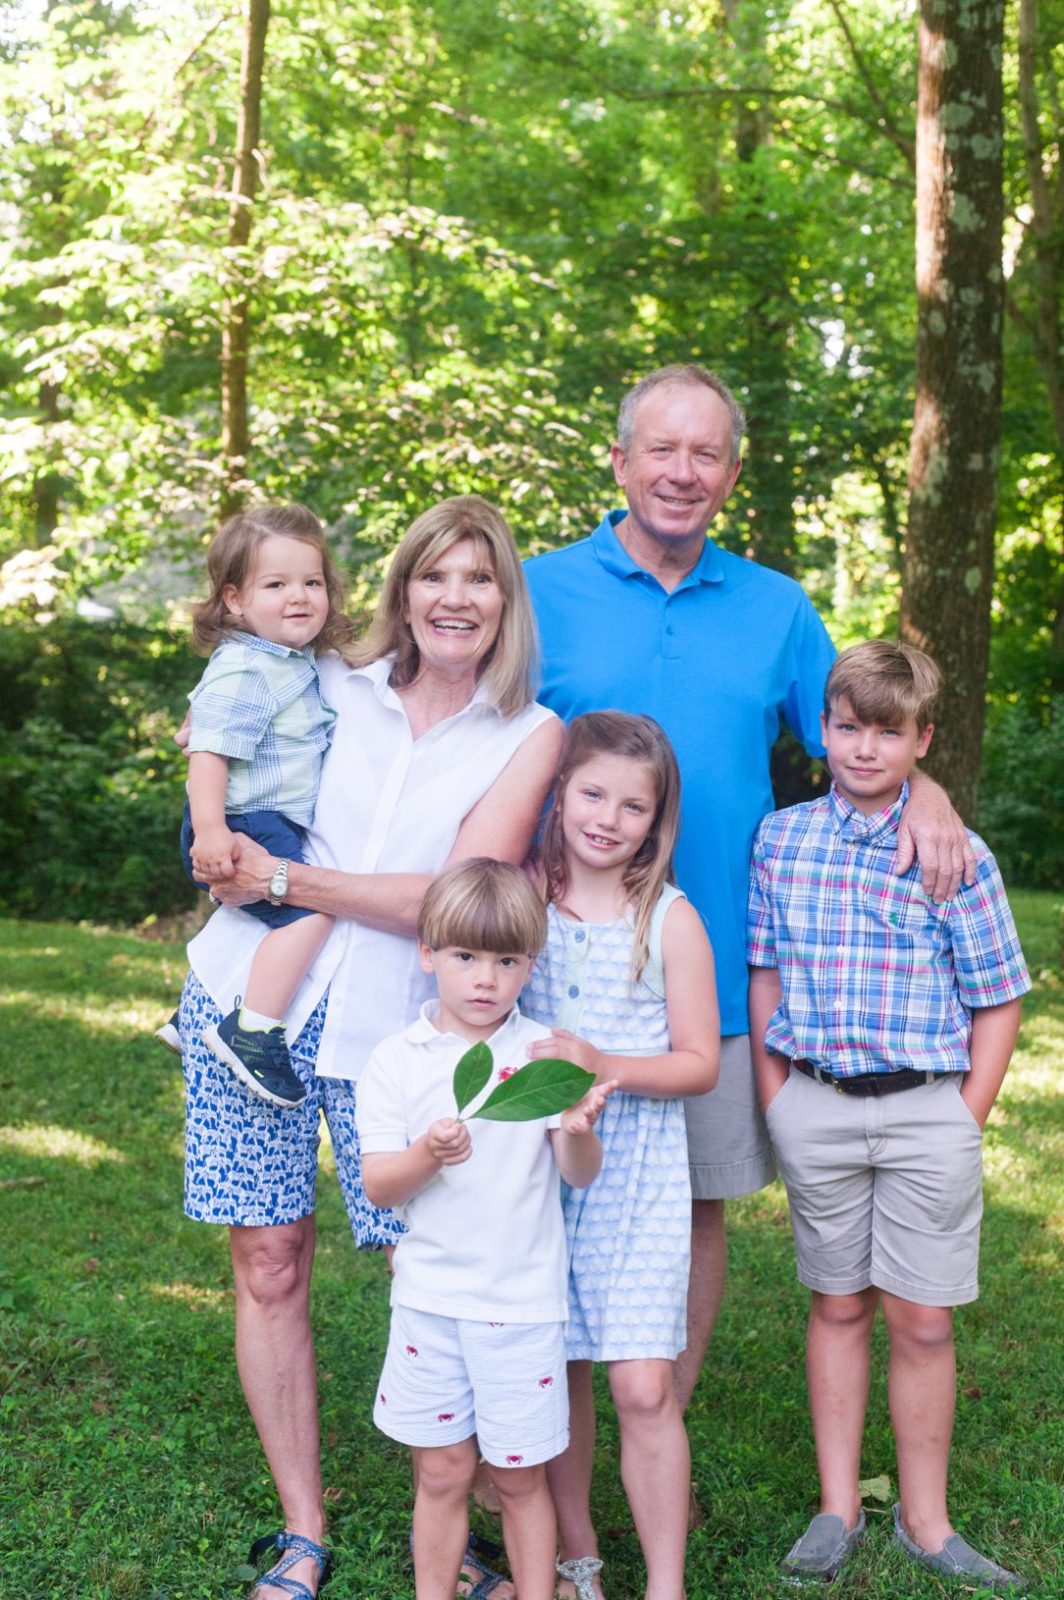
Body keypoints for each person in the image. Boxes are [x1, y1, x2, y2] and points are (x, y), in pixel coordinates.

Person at [523, 363, 974, 1423]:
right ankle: (532, 1449)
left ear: (731, 471)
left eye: (705, 453)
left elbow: (859, 726)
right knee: (537, 1200)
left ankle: (654, 1429)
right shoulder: (537, 589)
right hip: (551, 966)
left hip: (714, 972)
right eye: (662, 449)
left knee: (692, 1208)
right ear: (620, 459)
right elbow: (442, 699)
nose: (682, 472)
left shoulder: (774, 607)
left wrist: (933, 794)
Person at [180, 496, 564, 1600]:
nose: (454, 598)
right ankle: (304, 1528)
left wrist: (287, 878)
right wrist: (219, 834)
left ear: (505, 605)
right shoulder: (328, 682)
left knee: (429, 1260)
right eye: (433, 576)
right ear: (400, 590)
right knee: (267, 1259)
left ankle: (465, 1513)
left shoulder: (526, 733)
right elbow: (222, 731)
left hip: (407, 1032)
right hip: (250, 998)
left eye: (479, 580)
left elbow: (453, 898)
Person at [747, 641, 1031, 1589]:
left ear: (922, 740)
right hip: (817, 1107)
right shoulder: (781, 841)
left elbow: (997, 996)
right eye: (846, 727)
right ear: (822, 730)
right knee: (836, 1306)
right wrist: (777, 1095)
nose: (863, 749)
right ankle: (837, 1509)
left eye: (887, 731)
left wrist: (967, 1116)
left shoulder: (957, 850)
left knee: (920, 1321)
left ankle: (926, 1519)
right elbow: (767, 972)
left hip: (924, 1114)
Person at [358, 858, 614, 1600]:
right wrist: (426, 1156)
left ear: (530, 965)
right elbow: (379, 1184)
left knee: (517, 1474)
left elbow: (577, 1172)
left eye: (507, 961)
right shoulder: (398, 1061)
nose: (486, 979)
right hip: (431, 1301)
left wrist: (576, 1127)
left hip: (521, 1305)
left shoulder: (542, 1055)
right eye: (467, 957)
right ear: (429, 954)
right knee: (440, 1471)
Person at [522, 712, 719, 1600]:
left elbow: (700, 1062)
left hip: (635, 1172)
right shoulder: (522, 898)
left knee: (641, 1386)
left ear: (656, 819)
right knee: (556, 1368)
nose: (607, 817)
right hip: (530, 1174)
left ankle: (666, 1586)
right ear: (560, 791)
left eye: (632, 806)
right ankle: (578, 1560)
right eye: (592, 793)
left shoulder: (669, 918)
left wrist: (606, 1066)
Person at [167, 504, 354, 1108]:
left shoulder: (289, 661)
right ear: (234, 600)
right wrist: (213, 831)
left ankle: (196, 1009)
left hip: (256, 817)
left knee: (262, 912)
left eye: (312, 582)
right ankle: (252, 1030)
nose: (298, 596)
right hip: (243, 819)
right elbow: (208, 752)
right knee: (309, 912)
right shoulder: (247, 668)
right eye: (276, 585)